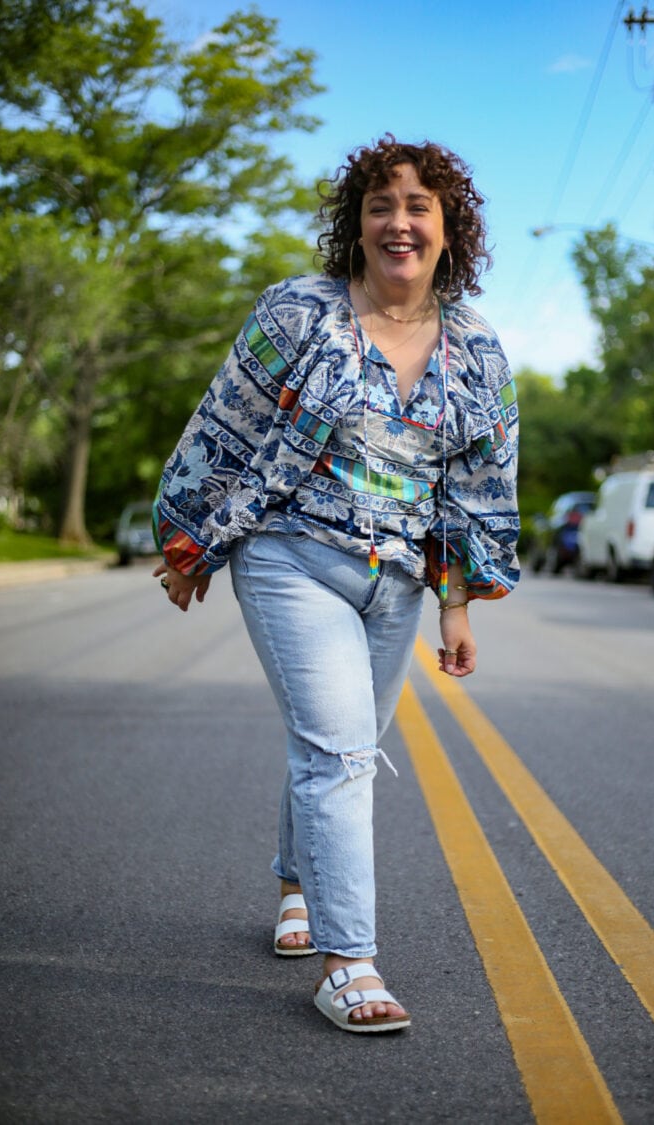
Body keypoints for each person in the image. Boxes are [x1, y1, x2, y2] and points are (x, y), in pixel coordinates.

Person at [152, 135, 520, 1034]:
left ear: (448, 229)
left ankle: (294, 889)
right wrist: (191, 543)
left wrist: (457, 602)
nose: (399, 222)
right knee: (343, 751)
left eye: (418, 207)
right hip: (289, 554)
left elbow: (474, 488)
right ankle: (349, 961)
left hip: (394, 580)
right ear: (356, 228)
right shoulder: (298, 313)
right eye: (380, 206)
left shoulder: (475, 349)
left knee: (336, 742)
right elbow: (223, 424)